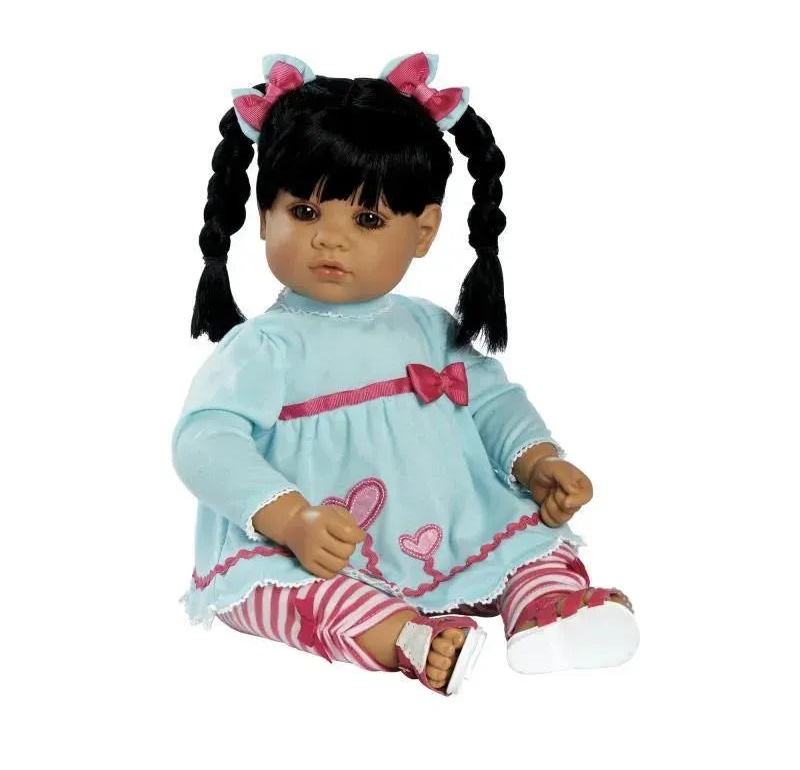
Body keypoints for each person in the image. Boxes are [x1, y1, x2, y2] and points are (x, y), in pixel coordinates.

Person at [172, 52, 639, 697]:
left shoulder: (427, 326)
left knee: (533, 543)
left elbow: (492, 401)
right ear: (263, 216)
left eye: (367, 220)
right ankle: (409, 638)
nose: (330, 239)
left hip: (449, 531)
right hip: (309, 548)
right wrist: (290, 520)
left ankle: (547, 609)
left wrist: (537, 463)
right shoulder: (263, 348)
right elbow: (205, 442)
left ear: (423, 232)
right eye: (305, 212)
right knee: (288, 595)